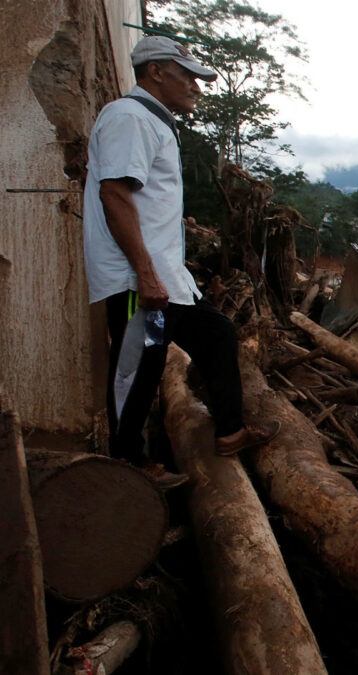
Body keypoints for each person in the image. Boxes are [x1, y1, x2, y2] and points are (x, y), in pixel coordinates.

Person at [83, 36, 278, 488]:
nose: (196, 85)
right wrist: (146, 274)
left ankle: (229, 431)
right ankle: (129, 465)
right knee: (136, 366)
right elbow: (114, 193)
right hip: (138, 280)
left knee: (216, 334)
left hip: (161, 278)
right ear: (155, 72)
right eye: (187, 75)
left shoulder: (152, 122)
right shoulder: (129, 118)